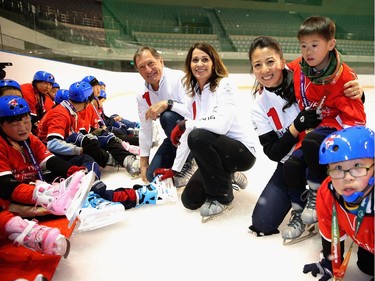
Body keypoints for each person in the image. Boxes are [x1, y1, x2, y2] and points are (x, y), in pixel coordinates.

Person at [247, 36, 366, 243]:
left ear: (282, 62)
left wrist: (359, 92)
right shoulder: (258, 105)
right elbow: (274, 152)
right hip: (290, 162)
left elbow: (336, 88)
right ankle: (300, 209)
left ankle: (332, 208)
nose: (265, 70)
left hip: (319, 153)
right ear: (253, 70)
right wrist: (296, 127)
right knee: (262, 223)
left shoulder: (303, 75)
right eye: (258, 65)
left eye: (270, 62)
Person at [285, 16, 366, 228]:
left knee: (313, 142)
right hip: (318, 127)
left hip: (340, 127)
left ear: (331, 44)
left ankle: (319, 193)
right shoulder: (301, 67)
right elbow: (280, 68)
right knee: (291, 165)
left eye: (314, 45)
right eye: (303, 46)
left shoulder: (344, 77)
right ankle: (298, 209)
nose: (308, 51)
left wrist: (346, 155)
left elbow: (357, 119)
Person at [168, 42, 257, 222]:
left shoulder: (225, 84)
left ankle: (222, 197)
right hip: (216, 153)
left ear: (213, 62)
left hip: (241, 153)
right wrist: (175, 169)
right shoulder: (194, 94)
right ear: (189, 65)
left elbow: (221, 126)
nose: (199, 64)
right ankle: (229, 175)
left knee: (198, 135)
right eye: (195, 60)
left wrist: (188, 124)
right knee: (190, 200)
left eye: (205, 59)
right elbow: (189, 133)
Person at [0, 95, 96, 257]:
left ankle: (88, 194)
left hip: (30, 186)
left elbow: (49, 160)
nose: (22, 128)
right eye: (15, 124)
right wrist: (44, 195)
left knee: (84, 164)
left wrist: (76, 172)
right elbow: (5, 186)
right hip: (9, 197)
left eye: (26, 121)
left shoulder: (30, 139)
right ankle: (23, 228)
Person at [303, 126, 374, 280]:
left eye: (357, 166)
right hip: (367, 236)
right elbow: (330, 233)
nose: (347, 177)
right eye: (338, 168)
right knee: (367, 266)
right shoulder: (327, 193)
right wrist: (330, 264)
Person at [133, 46, 196, 186]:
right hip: (174, 138)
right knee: (151, 175)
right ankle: (181, 157)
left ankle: (191, 161)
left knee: (167, 116)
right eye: (142, 67)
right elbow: (145, 128)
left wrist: (167, 104)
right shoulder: (142, 95)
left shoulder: (179, 78)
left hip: (193, 134)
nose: (148, 70)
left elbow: (193, 114)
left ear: (161, 61)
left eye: (151, 63)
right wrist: (144, 161)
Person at [20, 70, 56, 135]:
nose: (48, 87)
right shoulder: (28, 92)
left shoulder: (40, 94)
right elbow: (32, 119)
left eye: (50, 84)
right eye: (45, 83)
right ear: (36, 82)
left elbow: (42, 114)